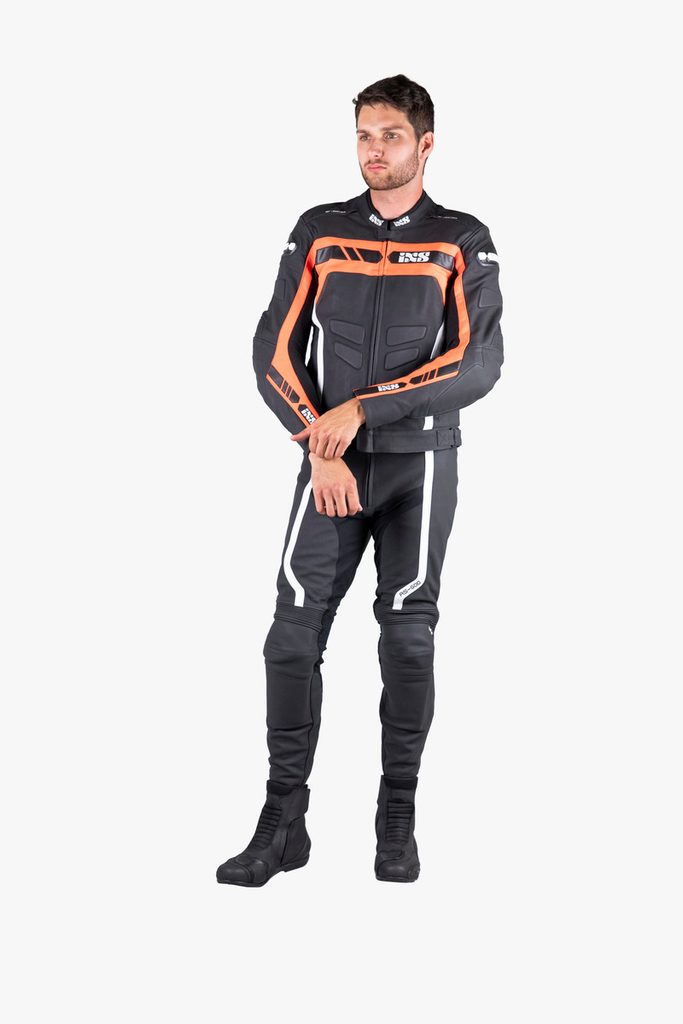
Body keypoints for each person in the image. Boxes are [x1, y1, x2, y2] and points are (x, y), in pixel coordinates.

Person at [216, 73, 504, 886]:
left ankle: (396, 816)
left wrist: (363, 411)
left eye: (390, 135)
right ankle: (282, 821)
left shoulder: (461, 237)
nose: (374, 150)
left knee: (407, 638)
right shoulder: (320, 229)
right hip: (328, 467)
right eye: (364, 135)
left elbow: (478, 363)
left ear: (425, 144)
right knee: (290, 637)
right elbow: (271, 348)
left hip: (420, 466)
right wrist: (321, 445)